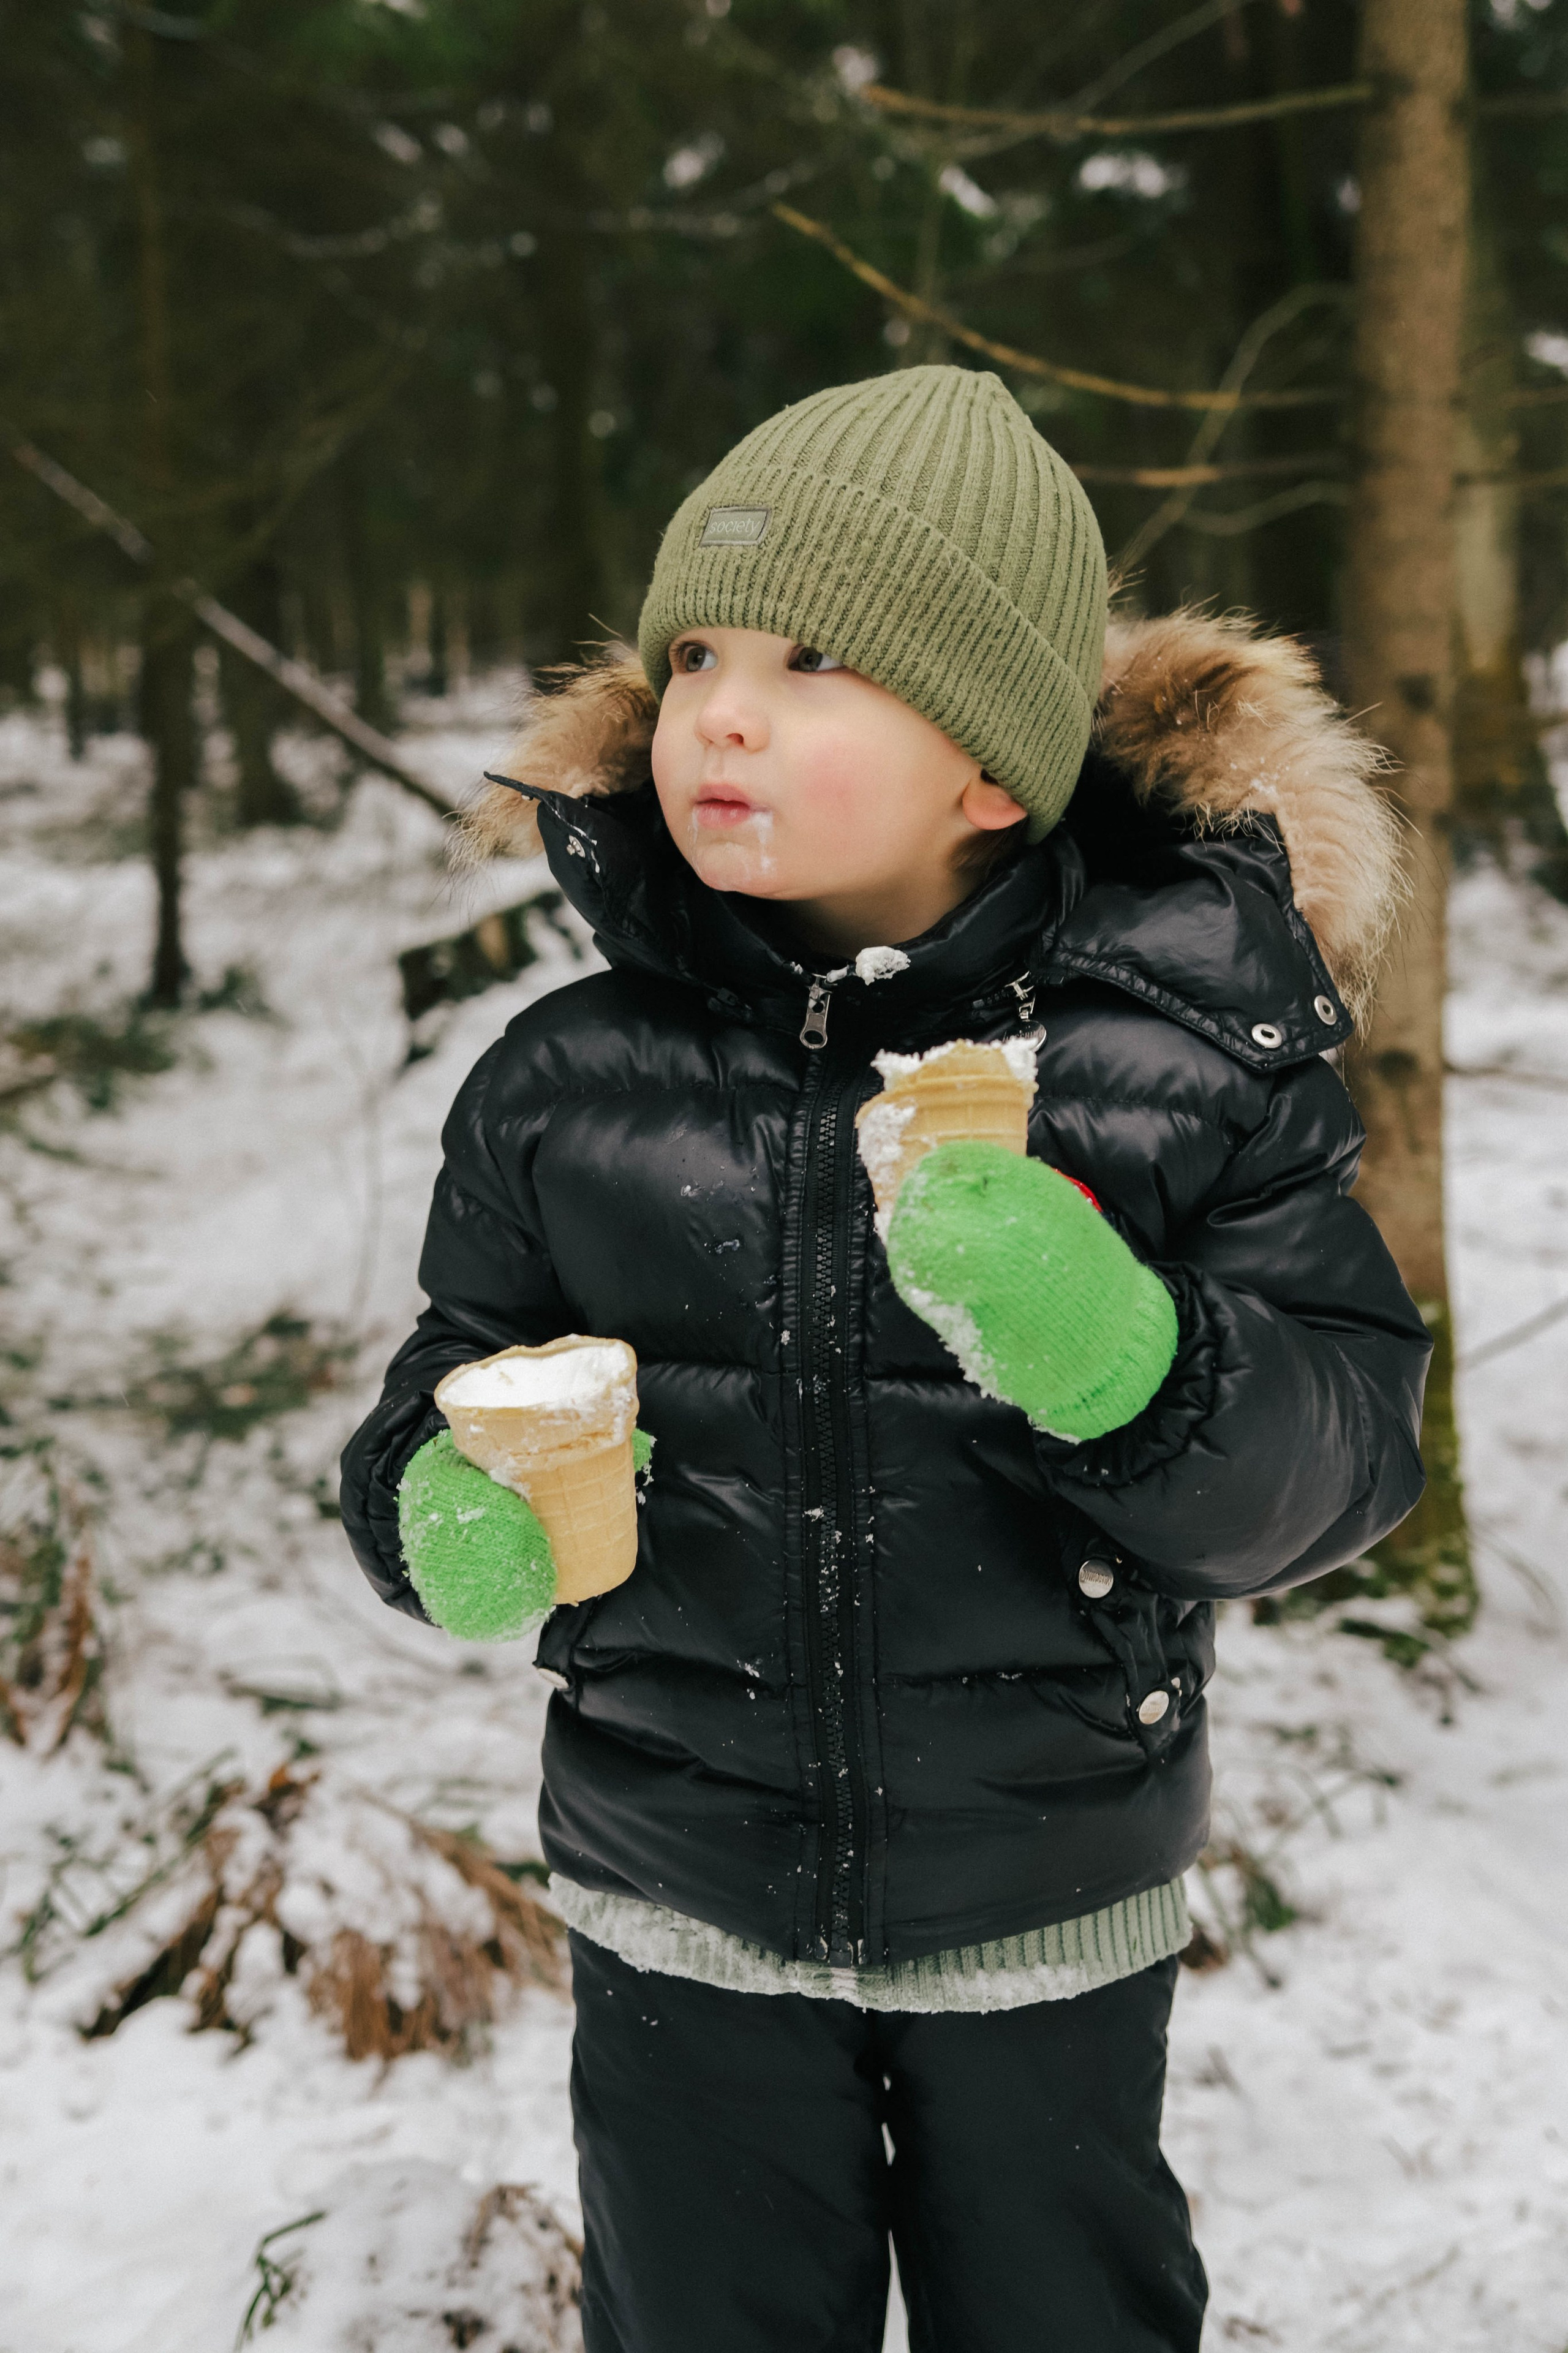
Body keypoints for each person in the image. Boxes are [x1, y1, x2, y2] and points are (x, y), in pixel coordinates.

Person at [341, 365, 1429, 2353]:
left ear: (993, 767)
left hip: (1043, 1884)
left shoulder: (1178, 1065)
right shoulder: (562, 1083)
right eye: (695, 657)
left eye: (816, 661)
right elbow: (450, 1374)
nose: (723, 711)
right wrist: (446, 1508)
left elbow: (1346, 1451)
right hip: (675, 1887)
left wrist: (1127, 1357)